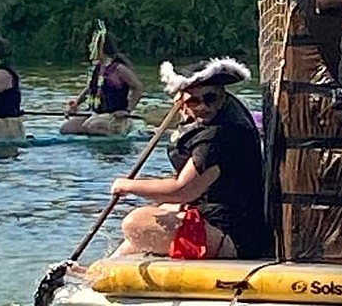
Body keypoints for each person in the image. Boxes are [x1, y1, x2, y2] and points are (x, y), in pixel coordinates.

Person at [108, 57, 270, 260]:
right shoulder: (227, 110)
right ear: (181, 103)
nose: (204, 107)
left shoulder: (220, 135)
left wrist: (127, 186)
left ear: (222, 94)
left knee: (135, 222)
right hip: (219, 218)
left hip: (235, 235)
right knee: (163, 209)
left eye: (210, 98)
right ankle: (102, 269)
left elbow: (183, 190)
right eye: (194, 101)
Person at [61, 22, 143, 136]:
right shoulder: (99, 67)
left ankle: (118, 133)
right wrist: (76, 102)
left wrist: (127, 110)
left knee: (90, 126)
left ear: (101, 47)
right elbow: (91, 88)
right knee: (66, 128)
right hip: (97, 113)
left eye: (93, 44)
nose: (90, 47)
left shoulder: (119, 69)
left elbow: (138, 88)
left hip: (115, 116)